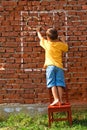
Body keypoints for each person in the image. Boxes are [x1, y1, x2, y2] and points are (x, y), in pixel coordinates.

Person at [36, 27, 68, 106]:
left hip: (50, 66)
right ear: (57, 37)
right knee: (59, 83)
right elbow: (66, 48)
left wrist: (38, 31)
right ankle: (60, 100)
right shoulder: (60, 45)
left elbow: (41, 38)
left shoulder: (47, 43)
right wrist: (63, 39)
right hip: (59, 66)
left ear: (48, 37)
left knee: (52, 83)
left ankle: (56, 99)